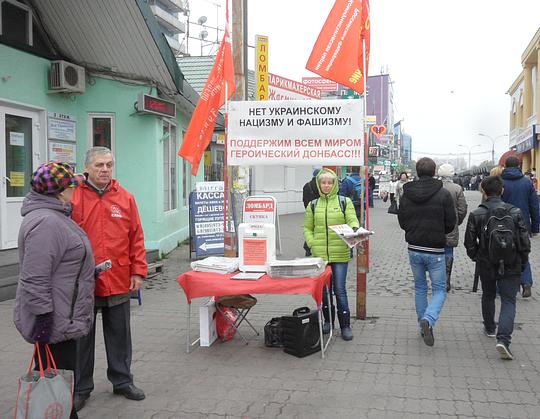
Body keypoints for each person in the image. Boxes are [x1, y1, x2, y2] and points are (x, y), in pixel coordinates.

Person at [14, 162, 95, 419]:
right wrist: (43, 318)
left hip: (62, 315)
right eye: (72, 185)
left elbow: (61, 263)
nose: (76, 189)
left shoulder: (55, 215)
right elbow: (34, 277)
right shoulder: (47, 222)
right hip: (54, 319)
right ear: (60, 191)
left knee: (58, 381)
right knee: (55, 382)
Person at [71, 147, 148, 410]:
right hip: (83, 282)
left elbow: (136, 237)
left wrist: (138, 270)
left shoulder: (125, 198)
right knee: (82, 337)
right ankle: (81, 388)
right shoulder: (73, 196)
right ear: (87, 169)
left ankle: (122, 381)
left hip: (118, 277)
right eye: (100, 165)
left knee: (120, 335)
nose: (105, 170)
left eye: (109, 165)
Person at [464, 176, 530, 360]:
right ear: (502, 191)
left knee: (488, 295)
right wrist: (522, 261)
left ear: (483, 191)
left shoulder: (477, 213)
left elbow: (469, 242)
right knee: (509, 301)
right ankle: (504, 339)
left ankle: (490, 328)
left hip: (487, 262)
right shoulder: (515, 212)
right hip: (512, 262)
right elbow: (524, 241)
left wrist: (477, 257)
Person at [398, 158, 456, 347]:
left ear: (417, 171)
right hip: (436, 249)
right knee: (439, 289)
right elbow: (450, 223)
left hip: (414, 247)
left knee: (420, 288)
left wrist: (412, 230)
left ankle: (422, 324)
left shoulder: (407, 194)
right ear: (434, 172)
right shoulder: (444, 194)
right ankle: (428, 320)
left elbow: (402, 221)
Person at [304, 169, 359, 341]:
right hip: (321, 256)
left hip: (340, 254)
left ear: (335, 184)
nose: (326, 185)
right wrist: (312, 243)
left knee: (340, 290)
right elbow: (307, 228)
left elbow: (352, 219)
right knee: (325, 291)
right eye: (323, 182)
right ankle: (328, 321)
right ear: (319, 184)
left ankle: (345, 325)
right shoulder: (313, 204)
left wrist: (356, 229)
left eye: (330, 182)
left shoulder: (345, 201)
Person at [501, 156, 539, 298]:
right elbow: (534, 206)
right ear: (518, 166)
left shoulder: (500, 182)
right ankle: (526, 283)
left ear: (505, 166)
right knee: (523, 253)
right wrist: (535, 227)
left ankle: (504, 286)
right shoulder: (527, 182)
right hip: (523, 224)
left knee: (503, 253)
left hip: (502, 224)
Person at [438, 164, 468, 291]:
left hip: (436, 223)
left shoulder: (436, 187)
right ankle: (446, 280)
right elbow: (462, 208)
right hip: (451, 223)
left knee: (437, 250)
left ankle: (437, 279)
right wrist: (458, 221)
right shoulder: (457, 188)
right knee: (448, 250)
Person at [302, 169, 321, 255]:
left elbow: (304, 199)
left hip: (310, 210)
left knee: (309, 229)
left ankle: (307, 248)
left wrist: (307, 208)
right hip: (320, 210)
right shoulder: (321, 186)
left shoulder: (306, 185)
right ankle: (312, 246)